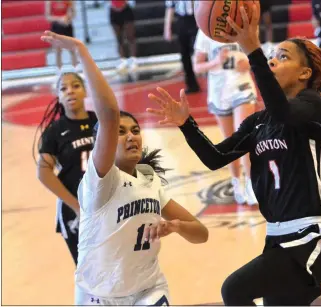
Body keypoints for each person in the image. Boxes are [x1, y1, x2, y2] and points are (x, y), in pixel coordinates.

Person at [148, 5, 321, 305]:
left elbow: (283, 111)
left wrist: (252, 48)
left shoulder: (313, 106)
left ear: (305, 73)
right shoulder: (257, 123)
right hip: (278, 241)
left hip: (312, 237)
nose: (273, 61)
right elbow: (215, 157)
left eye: (283, 57)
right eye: (271, 56)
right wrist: (186, 125)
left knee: (234, 290)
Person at [40, 30, 209, 306]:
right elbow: (108, 115)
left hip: (148, 290)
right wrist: (81, 50)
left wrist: (176, 226)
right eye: (120, 132)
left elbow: (201, 233)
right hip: (99, 294)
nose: (131, 136)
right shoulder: (101, 182)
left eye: (135, 130)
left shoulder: (148, 178)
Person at [35, 72, 97, 265]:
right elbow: (43, 173)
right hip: (75, 209)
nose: (70, 91)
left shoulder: (101, 121)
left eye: (76, 85)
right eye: (63, 88)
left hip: (107, 202)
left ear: (86, 90)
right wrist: (76, 206)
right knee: (88, 272)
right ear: (59, 96)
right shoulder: (54, 131)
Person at [193, 29, 258, 205]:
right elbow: (197, 67)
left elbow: (257, 55)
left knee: (243, 136)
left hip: (242, 87)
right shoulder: (205, 30)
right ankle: (236, 181)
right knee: (229, 142)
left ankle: (251, 185)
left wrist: (249, 62)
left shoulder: (242, 24)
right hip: (219, 93)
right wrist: (215, 62)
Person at [164, 0, 201, 94]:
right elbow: (170, 7)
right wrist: (167, 28)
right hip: (182, 20)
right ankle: (191, 85)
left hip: (197, 18)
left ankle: (211, 80)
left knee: (202, 50)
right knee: (184, 54)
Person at [45, 0, 78, 74]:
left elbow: (74, 14)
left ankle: (76, 71)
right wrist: (59, 19)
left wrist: (68, 18)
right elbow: (47, 17)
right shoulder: (49, 1)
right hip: (56, 27)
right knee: (58, 51)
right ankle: (59, 72)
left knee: (72, 50)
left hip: (66, 26)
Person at [109, 0, 138, 76]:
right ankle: (123, 61)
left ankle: (133, 60)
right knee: (119, 39)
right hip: (113, 10)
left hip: (126, 10)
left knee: (130, 37)